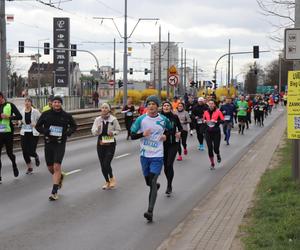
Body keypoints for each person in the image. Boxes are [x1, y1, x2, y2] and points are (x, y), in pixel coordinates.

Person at [131, 95, 172, 222]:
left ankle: (150, 211)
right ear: (146, 106)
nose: (151, 106)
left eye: (154, 104)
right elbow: (132, 135)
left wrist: (166, 135)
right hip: (144, 155)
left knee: (153, 181)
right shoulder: (141, 119)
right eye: (149, 104)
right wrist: (142, 134)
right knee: (149, 182)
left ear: (157, 106)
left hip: (157, 155)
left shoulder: (163, 119)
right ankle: (155, 185)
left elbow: (171, 129)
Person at [36, 96, 77, 201]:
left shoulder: (66, 115)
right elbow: (37, 126)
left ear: (61, 104)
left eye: (59, 102)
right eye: (55, 102)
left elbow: (74, 126)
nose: (57, 104)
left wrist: (68, 132)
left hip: (60, 143)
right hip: (49, 143)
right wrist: (45, 131)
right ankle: (60, 177)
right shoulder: (46, 114)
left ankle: (54, 192)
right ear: (51, 103)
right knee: (50, 168)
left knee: (57, 167)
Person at [92, 103, 121, 190]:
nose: (104, 109)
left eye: (106, 108)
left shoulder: (113, 119)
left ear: (109, 109)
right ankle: (107, 181)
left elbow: (118, 130)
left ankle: (112, 178)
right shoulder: (97, 120)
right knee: (102, 164)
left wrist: (113, 133)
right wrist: (97, 129)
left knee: (106, 163)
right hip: (101, 143)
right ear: (101, 109)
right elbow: (93, 132)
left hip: (110, 143)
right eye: (103, 108)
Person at [160, 101, 182, 196]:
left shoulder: (174, 117)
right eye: (164, 105)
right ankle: (169, 182)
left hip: (173, 144)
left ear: (170, 107)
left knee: (169, 164)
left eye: (168, 105)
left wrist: (180, 132)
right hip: (162, 145)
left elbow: (180, 128)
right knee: (166, 166)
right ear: (162, 107)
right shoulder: (158, 117)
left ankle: (169, 185)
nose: (166, 107)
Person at [0, 92, 22, 183]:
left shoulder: (10, 105)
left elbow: (19, 116)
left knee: (9, 153)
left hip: (8, 133)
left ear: (2, 97)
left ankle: (14, 164)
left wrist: (9, 116)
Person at [20, 98, 41, 174]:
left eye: (28, 101)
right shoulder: (22, 111)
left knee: (31, 150)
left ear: (31, 103)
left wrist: (36, 125)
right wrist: (19, 123)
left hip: (33, 133)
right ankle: (29, 168)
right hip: (24, 133)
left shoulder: (35, 111)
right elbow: (20, 120)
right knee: (24, 151)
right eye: (26, 101)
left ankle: (35, 156)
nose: (27, 103)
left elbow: (41, 120)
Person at [203, 100, 224, 170]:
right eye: (210, 104)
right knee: (209, 148)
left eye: (212, 104)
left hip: (216, 132)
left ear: (214, 105)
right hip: (208, 132)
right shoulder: (206, 112)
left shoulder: (218, 112)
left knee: (216, 148)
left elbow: (223, 120)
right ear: (208, 105)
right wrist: (205, 121)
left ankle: (218, 154)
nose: (211, 105)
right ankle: (212, 163)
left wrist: (216, 121)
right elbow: (203, 120)